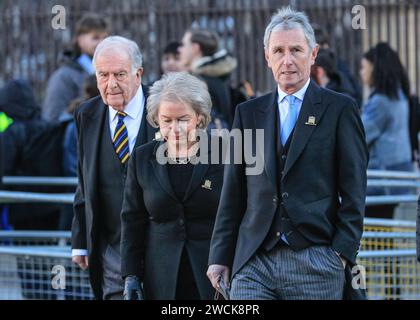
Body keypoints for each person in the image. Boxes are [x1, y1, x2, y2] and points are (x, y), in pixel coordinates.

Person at [207, 7, 368, 300]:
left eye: (296, 49)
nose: (288, 60)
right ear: (267, 56)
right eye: (278, 51)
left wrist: (340, 254)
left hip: (316, 262)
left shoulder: (339, 109)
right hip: (253, 262)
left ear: (313, 53)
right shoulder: (247, 113)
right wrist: (220, 254)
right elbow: (233, 191)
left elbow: (354, 190)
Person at [120, 72, 225, 300]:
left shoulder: (224, 153)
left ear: (199, 117)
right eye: (167, 120)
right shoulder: (142, 158)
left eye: (183, 120)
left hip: (214, 273)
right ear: (157, 119)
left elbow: (238, 214)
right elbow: (132, 220)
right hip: (160, 275)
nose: (174, 128)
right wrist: (131, 275)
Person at [71, 36, 156, 300]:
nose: (111, 84)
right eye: (103, 75)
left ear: (138, 73)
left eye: (119, 74)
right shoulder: (87, 114)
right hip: (110, 251)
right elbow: (84, 181)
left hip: (160, 245)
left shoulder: (164, 106)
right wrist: (80, 241)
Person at [360, 42, 414, 219]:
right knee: (383, 235)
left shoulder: (380, 103)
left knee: (374, 235)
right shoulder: (399, 95)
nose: (361, 73)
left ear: (375, 69)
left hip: (382, 181)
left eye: (364, 68)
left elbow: (359, 136)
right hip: (398, 176)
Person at [42, 14, 109, 121]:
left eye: (104, 38)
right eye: (95, 38)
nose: (102, 43)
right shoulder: (63, 76)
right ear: (80, 40)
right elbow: (52, 118)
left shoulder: (110, 71)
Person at [179, 29, 237, 128]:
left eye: (184, 45)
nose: (180, 49)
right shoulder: (219, 74)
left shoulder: (199, 81)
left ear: (195, 48)